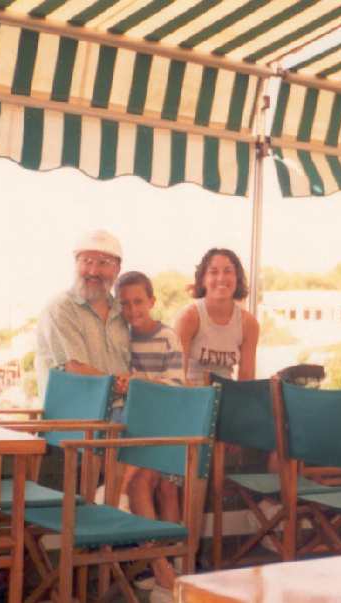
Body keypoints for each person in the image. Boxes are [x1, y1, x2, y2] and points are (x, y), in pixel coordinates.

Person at [115, 271, 184, 594]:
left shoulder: (168, 336)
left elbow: (176, 385)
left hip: (169, 424)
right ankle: (162, 568)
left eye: (138, 301)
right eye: (125, 303)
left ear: (152, 301)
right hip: (141, 425)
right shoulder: (122, 337)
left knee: (161, 486)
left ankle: (171, 565)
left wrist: (139, 380)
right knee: (144, 482)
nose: (132, 309)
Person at [34, 228, 130, 408]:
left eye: (103, 263)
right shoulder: (60, 309)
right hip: (74, 425)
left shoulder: (124, 312)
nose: (93, 271)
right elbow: (75, 370)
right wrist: (129, 385)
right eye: (87, 261)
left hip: (120, 424)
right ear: (75, 264)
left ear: (117, 269)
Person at [175, 248, 260, 385]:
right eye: (213, 272)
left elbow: (246, 381)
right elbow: (177, 378)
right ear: (203, 280)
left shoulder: (248, 323)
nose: (221, 278)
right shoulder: (188, 317)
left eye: (228, 271)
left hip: (227, 397)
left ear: (237, 279)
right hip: (190, 395)